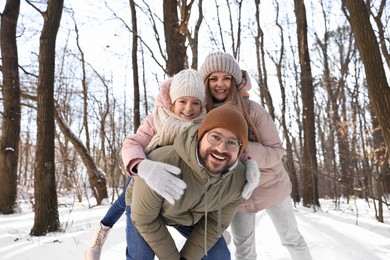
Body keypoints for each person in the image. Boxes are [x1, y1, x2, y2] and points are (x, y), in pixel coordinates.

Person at [199, 51, 312, 259]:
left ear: (234, 81)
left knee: (292, 239)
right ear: (206, 82)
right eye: (213, 78)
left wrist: (238, 146)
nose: (220, 84)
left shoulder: (253, 111)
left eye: (226, 78)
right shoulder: (203, 116)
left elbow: (276, 152)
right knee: (244, 251)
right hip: (237, 195)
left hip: (271, 186)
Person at [84, 69, 207, 260]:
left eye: (195, 103)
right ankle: (102, 230)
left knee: (124, 200)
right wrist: (144, 167)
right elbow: (133, 143)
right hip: (147, 177)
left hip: (177, 191)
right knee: (125, 199)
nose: (188, 108)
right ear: (173, 102)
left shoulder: (205, 125)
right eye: (182, 101)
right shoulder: (156, 119)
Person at [125, 102, 249, 259]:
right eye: (215, 137)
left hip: (188, 216)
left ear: (240, 150)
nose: (221, 148)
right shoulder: (160, 163)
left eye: (232, 142)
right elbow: (145, 220)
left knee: (219, 255)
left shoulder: (238, 180)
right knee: (139, 257)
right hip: (145, 213)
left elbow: (214, 224)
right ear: (200, 136)